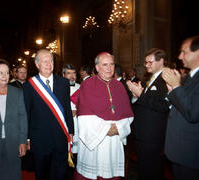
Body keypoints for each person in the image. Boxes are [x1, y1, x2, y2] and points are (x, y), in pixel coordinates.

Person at [74, 52, 134, 180]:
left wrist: (118, 128)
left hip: (114, 138)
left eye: (111, 64)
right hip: (96, 139)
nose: (109, 68)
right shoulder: (88, 84)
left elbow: (128, 114)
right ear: (97, 67)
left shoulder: (119, 86)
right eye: (105, 64)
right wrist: (106, 129)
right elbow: (84, 116)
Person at [23, 49, 74, 180]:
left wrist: (71, 131)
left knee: (59, 174)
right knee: (42, 175)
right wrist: (27, 138)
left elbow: (67, 108)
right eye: (44, 61)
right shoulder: (29, 85)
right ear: (37, 64)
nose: (48, 64)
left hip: (60, 137)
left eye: (51, 60)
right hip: (39, 140)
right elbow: (26, 113)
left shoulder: (63, 83)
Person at [126, 48, 170, 180]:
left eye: (150, 62)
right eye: (145, 62)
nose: (146, 65)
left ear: (161, 61)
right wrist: (136, 96)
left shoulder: (166, 79)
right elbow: (146, 101)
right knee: (144, 168)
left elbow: (163, 106)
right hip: (143, 132)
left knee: (152, 170)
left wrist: (140, 95)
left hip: (153, 134)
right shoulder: (151, 78)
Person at [162, 35, 199, 180]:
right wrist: (172, 90)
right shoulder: (189, 77)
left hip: (191, 154)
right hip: (179, 150)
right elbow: (181, 104)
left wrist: (176, 86)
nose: (179, 56)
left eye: (184, 52)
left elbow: (193, 112)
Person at [62, 64, 80, 180]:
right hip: (64, 125)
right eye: (69, 73)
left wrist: (78, 110)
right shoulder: (57, 88)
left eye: (74, 73)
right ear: (63, 75)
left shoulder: (81, 87)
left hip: (78, 126)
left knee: (77, 156)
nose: (72, 76)